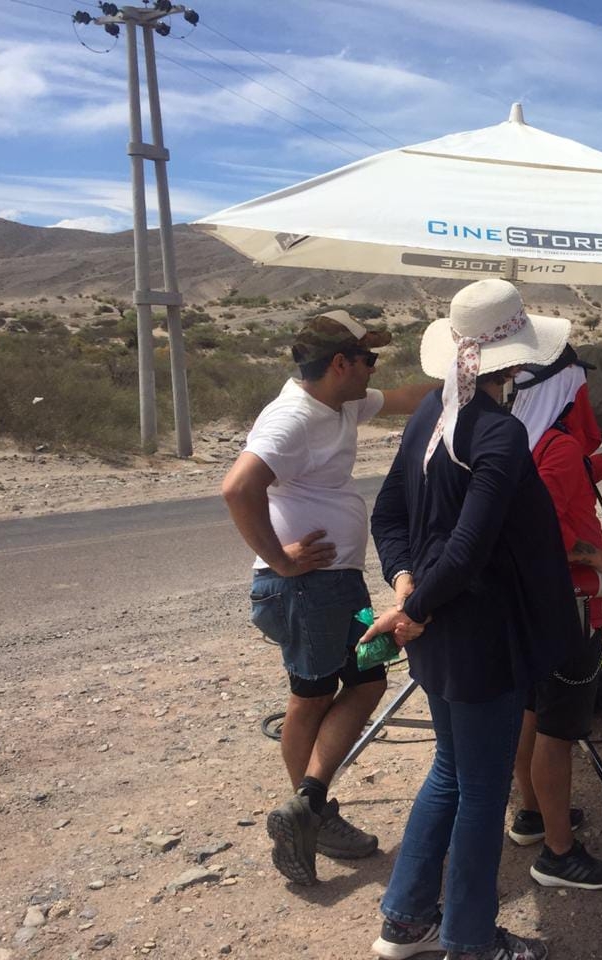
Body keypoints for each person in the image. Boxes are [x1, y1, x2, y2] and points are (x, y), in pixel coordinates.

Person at [363, 279, 581, 960]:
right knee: (481, 793)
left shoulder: (430, 413)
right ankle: (470, 939)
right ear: (514, 364)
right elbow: (469, 549)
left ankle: (406, 919)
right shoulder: (500, 433)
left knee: (452, 772)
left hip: (436, 632)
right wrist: (412, 605)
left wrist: (406, 588)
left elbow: (389, 515)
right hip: (481, 636)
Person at [221, 310, 429, 887]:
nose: (374, 369)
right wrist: (282, 560)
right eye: (369, 359)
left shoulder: (341, 404)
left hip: (335, 583)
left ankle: (309, 805)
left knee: (368, 680)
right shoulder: (292, 417)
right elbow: (238, 487)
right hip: (304, 586)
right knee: (310, 698)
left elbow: (407, 397)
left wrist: (468, 377)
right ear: (341, 363)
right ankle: (309, 813)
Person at [505, 345, 602, 890]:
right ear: (567, 392)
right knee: (558, 732)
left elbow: (586, 473)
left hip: (529, 606)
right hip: (570, 612)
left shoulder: (530, 440)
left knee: (530, 712)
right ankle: (558, 854)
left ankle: (532, 814)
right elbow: (541, 528)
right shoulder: (561, 448)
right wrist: (601, 560)